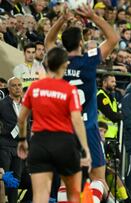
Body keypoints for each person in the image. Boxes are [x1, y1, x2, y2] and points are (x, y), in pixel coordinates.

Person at [44, 5, 119, 200]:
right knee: (98, 179)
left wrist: (60, 20)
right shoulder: (89, 60)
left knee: (65, 181)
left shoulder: (58, 60)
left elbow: (49, 41)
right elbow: (113, 39)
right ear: (81, 42)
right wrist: (93, 16)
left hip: (64, 128)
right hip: (88, 127)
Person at [16, 47, 91, 202]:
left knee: (40, 197)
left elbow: (22, 118)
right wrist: (85, 149)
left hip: (39, 143)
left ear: (46, 63)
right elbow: (77, 121)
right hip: (64, 143)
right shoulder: (69, 90)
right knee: (74, 195)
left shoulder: (34, 88)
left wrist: (22, 140)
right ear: (65, 64)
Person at [0, 77, 23, 203]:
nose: (18, 87)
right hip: (5, 146)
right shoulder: (2, 104)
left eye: (19, 85)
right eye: (14, 85)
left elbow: (28, 126)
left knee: (16, 179)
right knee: (4, 178)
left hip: (19, 147)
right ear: (8, 88)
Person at [97, 74, 122, 139]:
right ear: (104, 83)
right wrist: (123, 115)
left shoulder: (112, 98)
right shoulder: (100, 96)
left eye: (115, 82)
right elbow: (112, 116)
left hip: (112, 136)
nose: (115, 84)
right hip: (103, 136)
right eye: (112, 82)